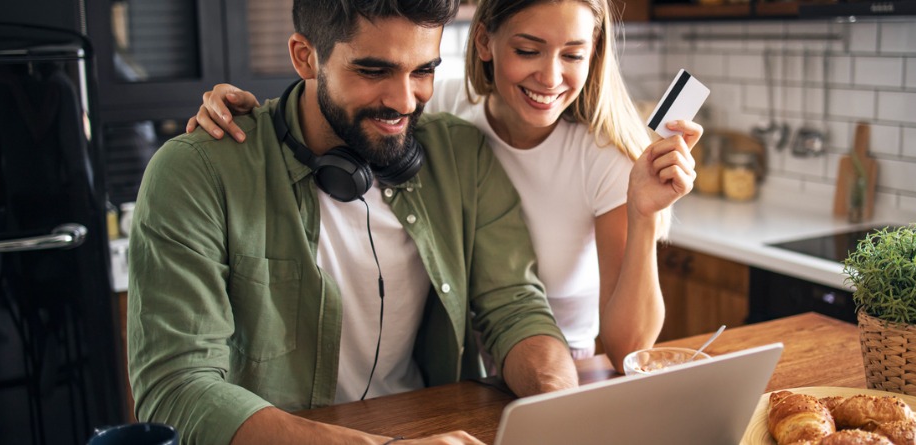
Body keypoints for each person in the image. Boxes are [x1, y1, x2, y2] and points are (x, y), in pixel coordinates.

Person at [128, 1, 579, 444]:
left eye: (423, 70)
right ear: (306, 57)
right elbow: (176, 389)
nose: (404, 101)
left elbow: (515, 309)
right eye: (373, 71)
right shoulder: (197, 172)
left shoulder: (461, 155)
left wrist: (564, 410)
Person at [188, 0, 701, 373]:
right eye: (528, 49)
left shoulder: (602, 157)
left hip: (557, 363)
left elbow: (626, 344)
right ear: (485, 43)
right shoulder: (444, 111)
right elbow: (345, 103)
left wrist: (643, 214)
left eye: (572, 54)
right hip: (468, 369)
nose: (550, 77)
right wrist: (256, 122)